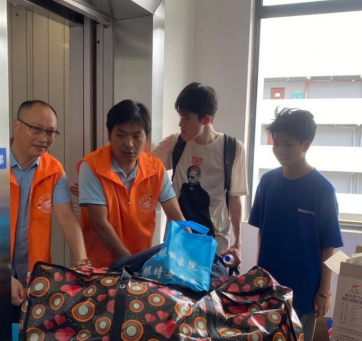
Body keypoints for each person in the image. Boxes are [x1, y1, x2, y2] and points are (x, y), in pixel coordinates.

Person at [249, 107, 343, 341]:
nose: (280, 150)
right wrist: (257, 275)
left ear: (306, 144)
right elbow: (262, 231)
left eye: (288, 144)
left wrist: (325, 292)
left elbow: (330, 246)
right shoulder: (267, 182)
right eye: (276, 143)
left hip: (304, 292)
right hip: (268, 289)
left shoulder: (322, 189)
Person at [78, 100, 185, 268]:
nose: (128, 144)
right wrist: (133, 264)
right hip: (101, 267)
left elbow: (176, 216)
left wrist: (187, 251)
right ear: (109, 134)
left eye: (136, 136)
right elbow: (100, 224)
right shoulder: (92, 166)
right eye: (120, 135)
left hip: (140, 263)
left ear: (146, 137)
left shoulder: (155, 168)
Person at [151, 82, 248, 267]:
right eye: (180, 116)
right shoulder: (175, 143)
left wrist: (237, 244)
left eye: (186, 118)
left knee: (211, 286)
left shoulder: (232, 148)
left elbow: (235, 198)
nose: (180, 124)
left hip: (215, 245)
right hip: (177, 242)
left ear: (206, 119)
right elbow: (143, 168)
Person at [10, 100, 89, 310]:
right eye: (36, 129)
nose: (44, 138)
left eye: (51, 132)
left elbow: (67, 218)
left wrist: (82, 262)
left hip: (35, 277)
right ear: (17, 125)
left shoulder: (53, 169)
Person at [179, 165, 215, 236]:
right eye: (188, 177)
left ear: (198, 177)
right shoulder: (184, 188)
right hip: (183, 228)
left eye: (192, 177)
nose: (189, 180)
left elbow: (204, 216)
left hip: (198, 231)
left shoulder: (203, 195)